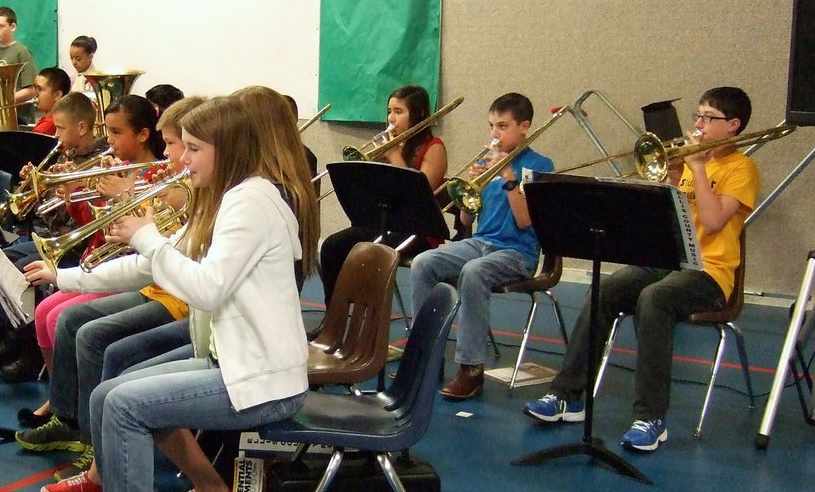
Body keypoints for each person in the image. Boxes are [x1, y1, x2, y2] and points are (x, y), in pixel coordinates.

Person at [30, 98, 313, 492]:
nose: (183, 160)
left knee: (122, 405)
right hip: (234, 362)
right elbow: (154, 266)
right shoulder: (231, 197)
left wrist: (147, 238)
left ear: (227, 151)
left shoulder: (251, 202)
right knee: (106, 395)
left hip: (262, 379)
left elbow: (203, 288)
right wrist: (68, 276)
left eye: (196, 148)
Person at [524, 87, 759, 452]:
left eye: (707, 118)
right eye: (697, 116)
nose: (697, 125)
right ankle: (567, 396)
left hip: (711, 274)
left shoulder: (742, 169)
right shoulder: (690, 163)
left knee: (655, 299)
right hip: (669, 261)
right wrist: (672, 176)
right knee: (607, 287)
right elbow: (668, 218)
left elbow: (712, 222)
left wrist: (695, 169)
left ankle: (651, 417)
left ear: (733, 126)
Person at [19, 97, 204, 471]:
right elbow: (139, 248)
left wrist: (128, 199)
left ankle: (93, 445)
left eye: (174, 144)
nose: (168, 154)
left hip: (177, 299)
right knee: (69, 320)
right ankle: (69, 418)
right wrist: (81, 197)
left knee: (87, 332)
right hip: (154, 283)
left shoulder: (186, 190)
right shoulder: (178, 183)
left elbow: (161, 258)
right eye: (169, 144)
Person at [3, 94, 164, 384]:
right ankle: (58, 396)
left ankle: (71, 405)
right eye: (108, 131)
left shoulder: (154, 176)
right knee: (43, 313)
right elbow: (91, 224)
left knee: (58, 317)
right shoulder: (115, 167)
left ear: (143, 134)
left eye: (117, 132)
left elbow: (115, 232)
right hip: (97, 258)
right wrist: (70, 194)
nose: (110, 141)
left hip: (123, 266)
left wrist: (118, 196)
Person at [409, 92, 553, 399]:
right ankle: (424, 357)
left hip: (518, 252)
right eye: (491, 126)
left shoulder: (540, 165)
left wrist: (508, 177)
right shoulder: (486, 161)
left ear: (524, 126)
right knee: (423, 262)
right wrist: (470, 194)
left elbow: (526, 221)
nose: (494, 134)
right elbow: (465, 219)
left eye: (503, 126)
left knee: (474, 273)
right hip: (481, 241)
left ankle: (470, 369)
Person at [319, 85, 448, 305]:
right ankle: (334, 314)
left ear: (418, 114)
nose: (391, 118)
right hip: (385, 221)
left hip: (417, 230)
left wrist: (393, 155)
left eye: (399, 112)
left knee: (368, 253)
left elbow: (419, 193)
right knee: (332, 246)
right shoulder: (393, 143)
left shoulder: (434, 147)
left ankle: (367, 317)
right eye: (389, 111)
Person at [0, 6, 37, 125]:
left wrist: (3, 101)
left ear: (13, 27)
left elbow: (31, 90)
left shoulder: (22, 52)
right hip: (0, 117)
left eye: (0, 26)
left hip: (20, 117)